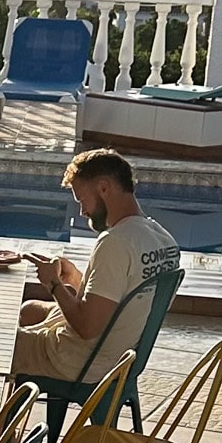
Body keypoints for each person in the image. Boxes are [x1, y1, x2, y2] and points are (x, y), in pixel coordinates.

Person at [13, 148, 179, 385]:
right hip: (120, 354)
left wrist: (53, 284)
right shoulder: (164, 240)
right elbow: (118, 301)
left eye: (82, 200)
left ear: (103, 187)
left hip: (80, 362)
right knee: (30, 310)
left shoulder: (115, 242)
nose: (82, 212)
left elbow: (88, 327)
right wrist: (72, 278)